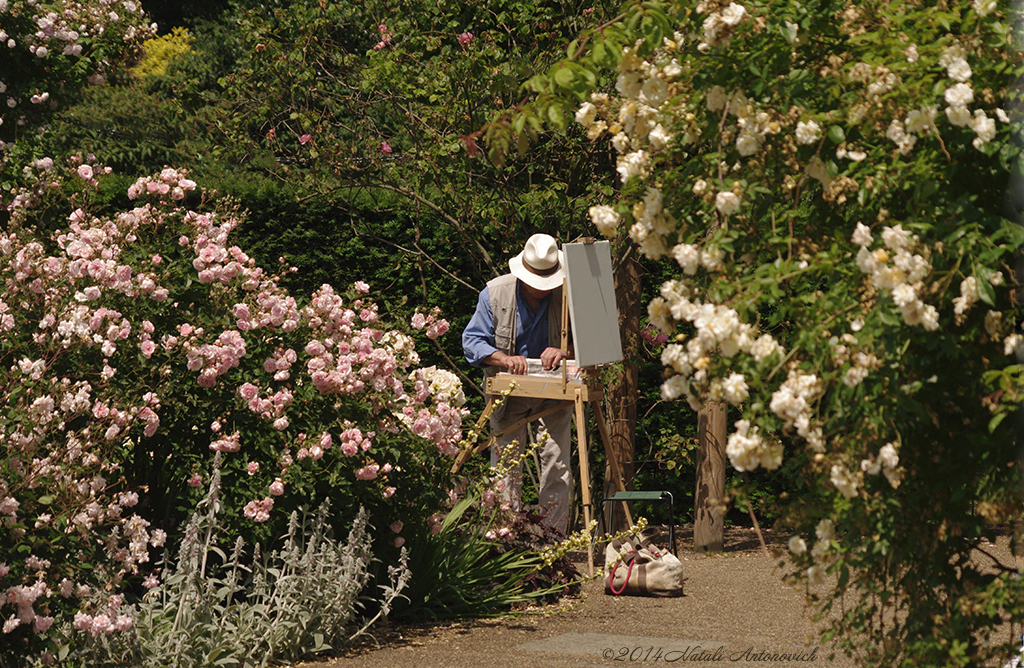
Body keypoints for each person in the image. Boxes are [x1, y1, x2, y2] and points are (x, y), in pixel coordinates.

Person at [462, 233, 574, 535]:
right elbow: (471, 342)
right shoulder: (494, 293)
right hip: (508, 394)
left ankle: (551, 543)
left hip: (554, 394)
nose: (541, 289)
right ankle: (504, 539)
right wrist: (501, 358)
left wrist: (564, 351)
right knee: (505, 466)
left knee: (556, 467)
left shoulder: (568, 294)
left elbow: (590, 345)